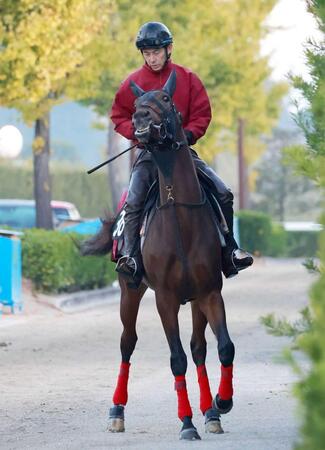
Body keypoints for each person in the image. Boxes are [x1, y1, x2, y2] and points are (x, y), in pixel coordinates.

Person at [111, 21, 253, 287]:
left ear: (169, 49)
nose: (152, 58)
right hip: (149, 155)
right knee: (133, 201)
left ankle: (230, 251)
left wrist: (188, 134)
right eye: (147, 53)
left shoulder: (188, 78)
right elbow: (118, 116)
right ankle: (130, 256)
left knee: (223, 192)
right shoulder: (132, 82)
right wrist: (136, 131)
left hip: (182, 154)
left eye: (156, 52)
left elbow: (202, 114)